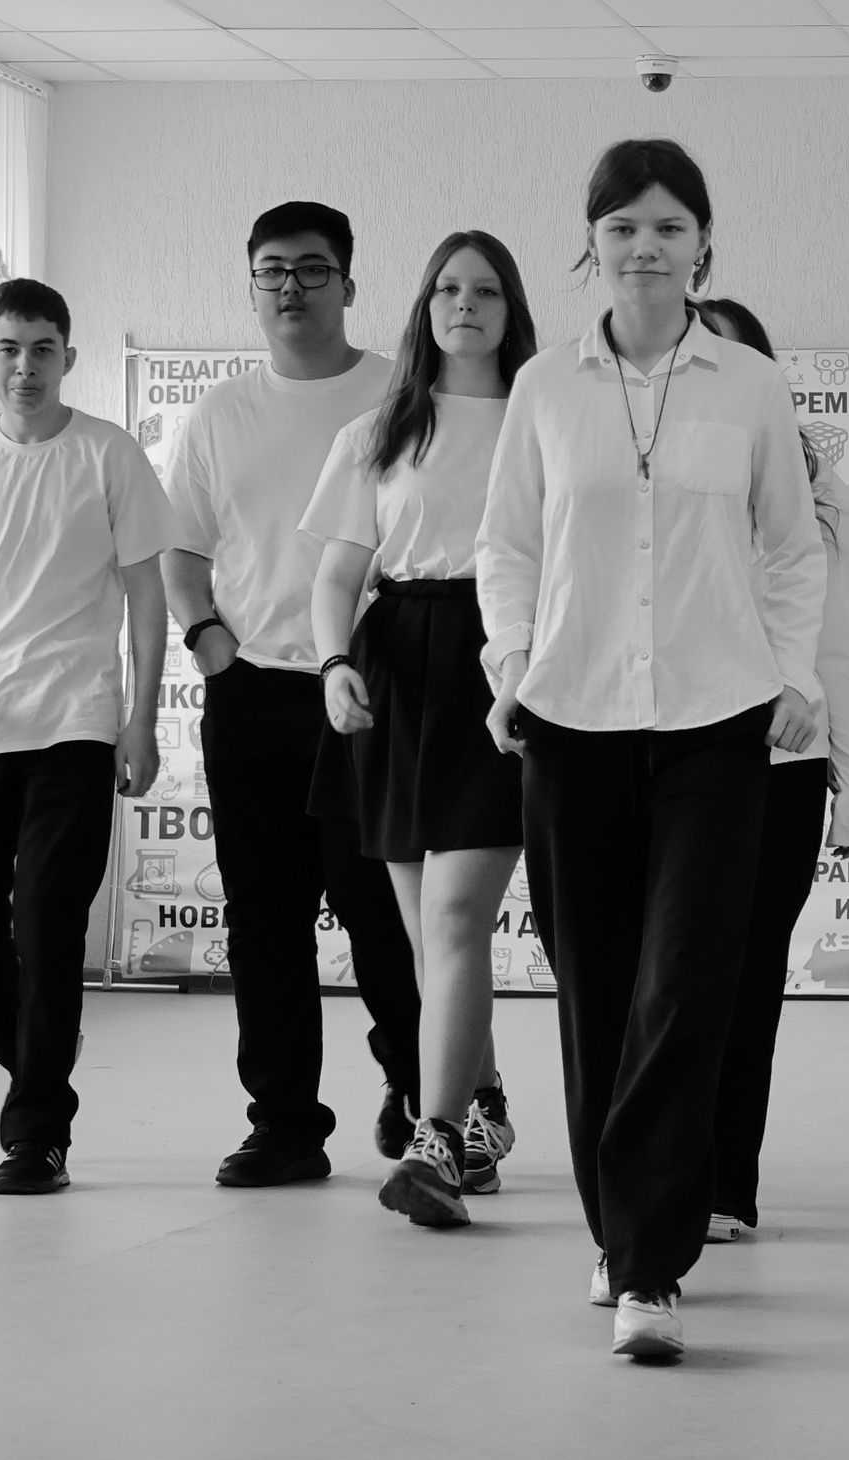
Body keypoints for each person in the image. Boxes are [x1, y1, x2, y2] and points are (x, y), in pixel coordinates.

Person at [477, 139, 825, 1359]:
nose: (646, 247)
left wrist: (795, 676)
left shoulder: (750, 384)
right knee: (597, 988)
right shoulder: (543, 387)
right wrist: (510, 663)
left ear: (703, 244)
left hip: (717, 722)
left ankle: (649, 1267)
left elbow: (793, 546)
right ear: (593, 244)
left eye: (670, 226)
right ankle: (620, 1224)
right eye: (623, 226)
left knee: (684, 985)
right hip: (571, 719)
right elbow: (507, 544)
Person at [161, 202, 422, 1187]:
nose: (291, 288)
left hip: (371, 691)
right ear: (252, 286)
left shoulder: (400, 395)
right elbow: (183, 551)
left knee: (381, 911)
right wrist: (209, 641)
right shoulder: (219, 413)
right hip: (254, 693)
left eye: (313, 269)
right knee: (263, 919)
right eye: (272, 270)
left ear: (349, 284)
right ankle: (284, 1124)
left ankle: (425, 1097)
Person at [302, 231, 539, 1227]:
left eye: (485, 290)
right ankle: (484, 1106)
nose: (464, 304)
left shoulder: (544, 419)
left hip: (504, 661)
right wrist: (334, 663)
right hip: (398, 661)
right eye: (447, 288)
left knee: (453, 921)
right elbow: (336, 576)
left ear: (511, 309)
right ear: (424, 307)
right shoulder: (378, 431)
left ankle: (435, 1140)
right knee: (424, 936)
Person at [693, 296, 849, 1243]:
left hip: (785, 756)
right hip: (675, 753)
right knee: (670, 976)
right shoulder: (652, 477)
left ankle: (723, 1186)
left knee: (749, 978)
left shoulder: (822, 493)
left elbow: (843, 646)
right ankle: (655, 1176)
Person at [0, 280, 178, 1194]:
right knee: (28, 961)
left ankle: (36, 1136)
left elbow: (148, 595)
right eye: (7, 348)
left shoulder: (108, 454)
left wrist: (139, 719)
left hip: (73, 722)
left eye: (41, 349)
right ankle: (37, 1034)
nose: (24, 367)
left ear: (68, 357)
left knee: (48, 920)